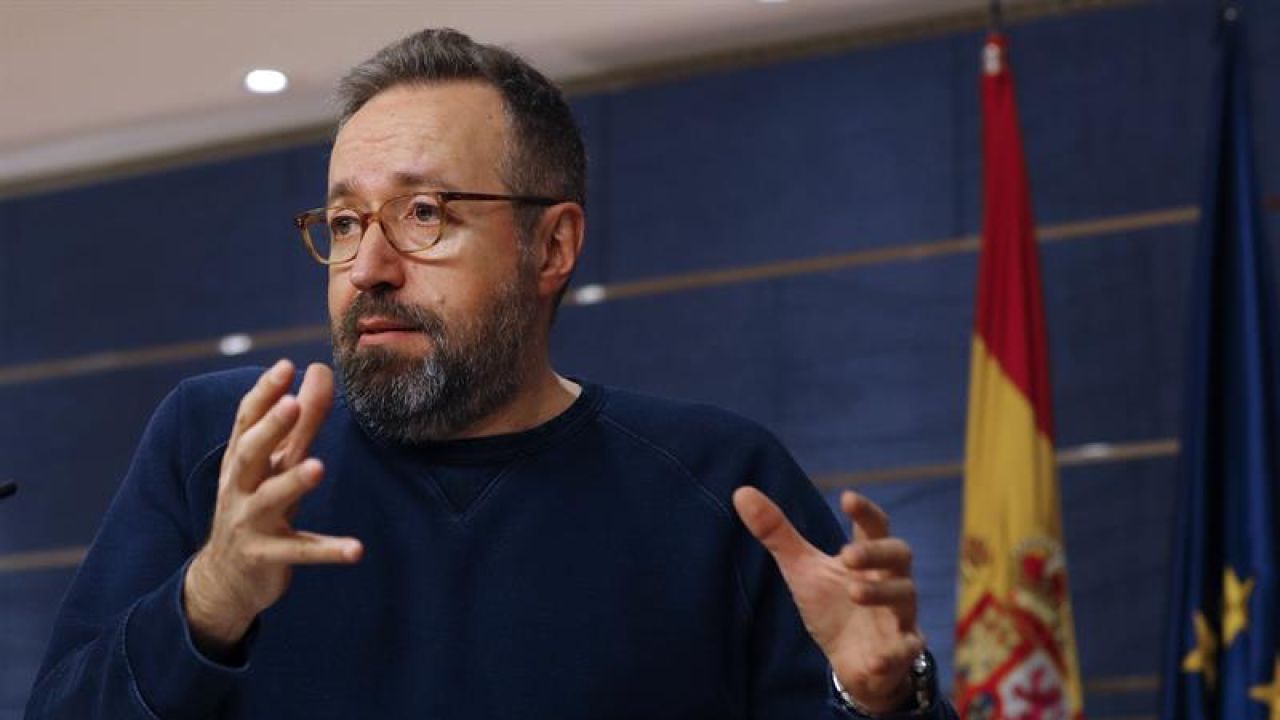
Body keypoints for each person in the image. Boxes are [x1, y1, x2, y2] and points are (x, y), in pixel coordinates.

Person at [27, 29, 957, 720]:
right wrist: (208, 602)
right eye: (345, 222)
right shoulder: (231, 448)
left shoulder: (722, 487)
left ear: (551, 246)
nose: (368, 267)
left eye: (424, 213)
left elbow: (870, 689)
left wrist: (880, 701)